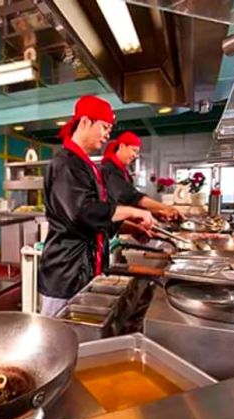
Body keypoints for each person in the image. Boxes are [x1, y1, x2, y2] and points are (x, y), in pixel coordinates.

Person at [38, 96, 157, 316]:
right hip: (66, 274)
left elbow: (98, 219)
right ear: (84, 122)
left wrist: (130, 227)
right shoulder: (65, 164)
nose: (107, 134)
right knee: (59, 338)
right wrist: (132, 211)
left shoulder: (85, 164)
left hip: (86, 269)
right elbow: (84, 213)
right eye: (104, 127)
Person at [101, 131, 183, 222]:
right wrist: (166, 208)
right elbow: (132, 197)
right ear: (122, 146)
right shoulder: (109, 169)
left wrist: (155, 213)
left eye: (137, 153)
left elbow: (132, 202)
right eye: (134, 150)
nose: (135, 156)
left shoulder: (122, 170)